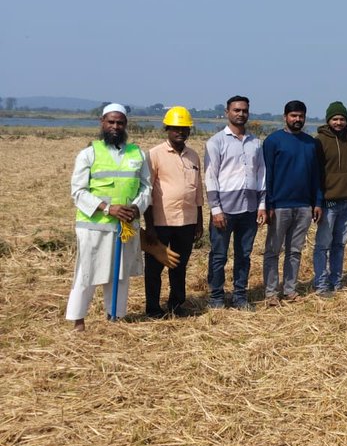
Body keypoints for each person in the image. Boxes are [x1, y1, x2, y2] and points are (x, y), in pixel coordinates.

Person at [66, 104, 152, 330]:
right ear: (102, 122)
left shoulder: (138, 153)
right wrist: (107, 208)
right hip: (94, 226)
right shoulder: (89, 153)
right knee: (87, 272)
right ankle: (78, 320)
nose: (115, 126)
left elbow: (146, 188)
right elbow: (78, 191)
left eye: (120, 123)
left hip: (125, 226)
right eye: (111, 122)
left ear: (126, 125)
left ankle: (115, 317)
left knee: (120, 274)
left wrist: (136, 208)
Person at [204, 95, 266, 310]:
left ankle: (240, 296)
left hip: (249, 209)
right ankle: (217, 297)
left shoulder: (255, 143)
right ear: (227, 112)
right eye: (236, 110)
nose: (241, 114)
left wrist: (262, 205)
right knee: (219, 255)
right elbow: (211, 176)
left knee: (244, 256)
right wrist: (215, 209)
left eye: (244, 110)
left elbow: (261, 175)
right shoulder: (216, 142)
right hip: (224, 210)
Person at [143, 106, 204, 318]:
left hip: (187, 221)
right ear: (167, 129)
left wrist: (199, 221)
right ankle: (152, 308)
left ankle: (177, 305)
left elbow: (198, 190)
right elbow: (147, 191)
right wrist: (149, 226)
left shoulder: (193, 156)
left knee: (179, 266)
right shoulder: (154, 155)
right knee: (154, 268)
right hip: (160, 222)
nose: (181, 132)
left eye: (185, 129)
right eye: (176, 128)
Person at [262, 100, 323, 305]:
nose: (297, 119)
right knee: (273, 250)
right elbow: (267, 175)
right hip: (279, 206)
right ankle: (271, 293)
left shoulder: (311, 143)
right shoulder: (273, 141)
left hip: (304, 206)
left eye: (301, 116)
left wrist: (317, 202)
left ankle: (290, 290)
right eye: (293, 116)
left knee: (295, 251)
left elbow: (317, 176)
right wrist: (268, 204)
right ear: (285, 117)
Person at [312, 101, 347, 295]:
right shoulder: (319, 141)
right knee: (323, 245)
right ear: (328, 120)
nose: (339, 122)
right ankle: (321, 283)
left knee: (339, 245)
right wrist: (317, 201)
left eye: (342, 119)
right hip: (328, 202)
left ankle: (336, 280)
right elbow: (316, 173)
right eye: (335, 119)